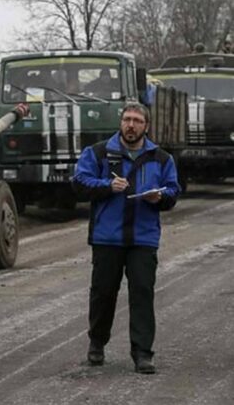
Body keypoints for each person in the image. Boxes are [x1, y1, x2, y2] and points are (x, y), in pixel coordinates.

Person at [72, 103, 181, 374]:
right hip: (107, 237)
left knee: (142, 293)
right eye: (127, 119)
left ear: (146, 125)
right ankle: (96, 344)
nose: (131, 125)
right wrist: (106, 186)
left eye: (137, 121)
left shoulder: (161, 158)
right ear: (121, 123)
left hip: (143, 239)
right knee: (103, 294)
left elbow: (173, 191)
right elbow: (78, 182)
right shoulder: (97, 153)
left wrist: (161, 196)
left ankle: (143, 353)